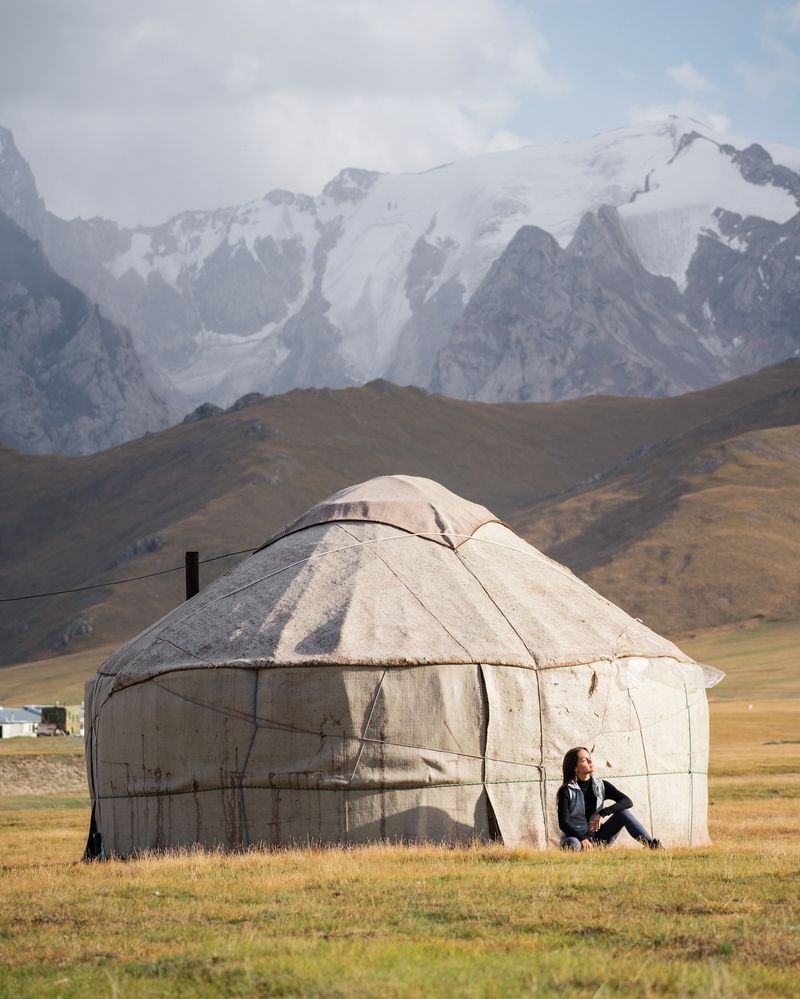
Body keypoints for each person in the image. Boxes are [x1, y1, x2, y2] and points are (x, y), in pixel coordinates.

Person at [557, 746, 663, 850]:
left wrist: (603, 813)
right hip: (577, 838)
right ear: (575, 768)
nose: (590, 761)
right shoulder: (566, 791)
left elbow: (627, 801)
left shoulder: (601, 785)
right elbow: (563, 823)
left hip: (599, 838)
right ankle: (582, 853)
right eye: (584, 760)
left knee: (623, 813)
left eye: (590, 757)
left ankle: (653, 846)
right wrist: (582, 838)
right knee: (572, 844)